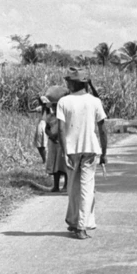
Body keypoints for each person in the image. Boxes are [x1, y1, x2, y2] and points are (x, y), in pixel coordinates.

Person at [57, 68, 108, 240]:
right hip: (91, 149)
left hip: (72, 150)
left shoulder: (63, 102)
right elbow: (102, 129)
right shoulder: (95, 101)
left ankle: (76, 223)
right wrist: (104, 152)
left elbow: (61, 129)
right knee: (87, 188)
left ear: (72, 83)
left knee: (72, 188)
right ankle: (80, 226)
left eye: (68, 81)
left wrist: (64, 152)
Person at [43, 86, 70, 192]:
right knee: (55, 165)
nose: (54, 109)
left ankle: (66, 185)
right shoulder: (50, 117)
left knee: (64, 163)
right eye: (53, 107)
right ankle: (56, 185)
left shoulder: (65, 116)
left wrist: (57, 136)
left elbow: (64, 129)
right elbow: (46, 128)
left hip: (62, 142)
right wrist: (51, 135)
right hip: (53, 143)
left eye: (55, 106)